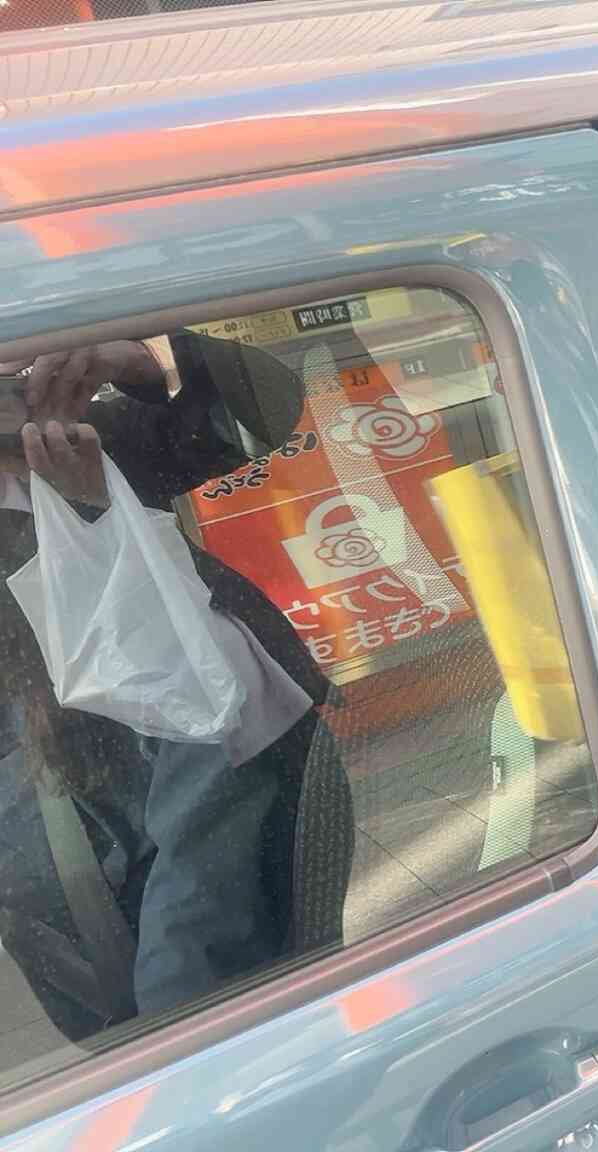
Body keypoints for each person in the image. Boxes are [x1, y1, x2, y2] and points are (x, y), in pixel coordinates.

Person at [0, 335, 332, 1042]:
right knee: (155, 1022)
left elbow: (267, 411)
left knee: (297, 970)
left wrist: (136, 361)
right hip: (66, 823)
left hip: (243, 747)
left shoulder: (94, 434)